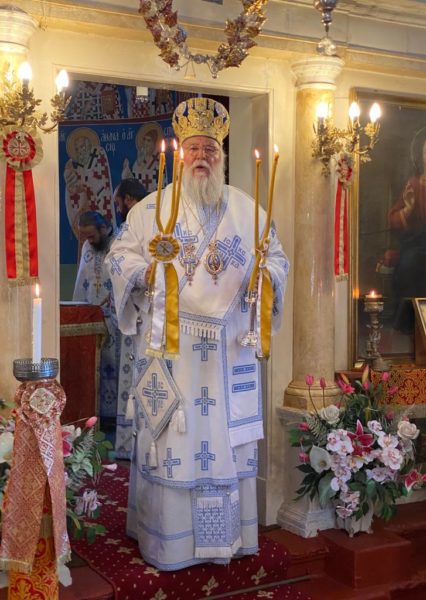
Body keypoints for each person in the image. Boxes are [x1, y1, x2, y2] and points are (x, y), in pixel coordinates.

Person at [106, 97, 289, 570]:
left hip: (227, 354)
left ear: (221, 156)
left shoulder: (247, 211)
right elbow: (118, 258)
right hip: (173, 353)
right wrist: (147, 274)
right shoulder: (151, 209)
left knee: (223, 443)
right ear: (180, 155)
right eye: (194, 149)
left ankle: (225, 539)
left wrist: (265, 279)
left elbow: (277, 261)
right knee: (172, 440)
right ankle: (169, 544)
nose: (202, 156)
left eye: (210, 149)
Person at [388, 131, 426, 332]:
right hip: (415, 243)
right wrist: (408, 209)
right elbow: (393, 218)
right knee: (409, 265)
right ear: (421, 157)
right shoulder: (413, 184)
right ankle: (409, 322)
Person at [73, 211, 119, 429]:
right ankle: (96, 416)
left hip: (116, 320)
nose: (88, 241)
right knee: (95, 366)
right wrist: (80, 311)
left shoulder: (119, 244)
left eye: (91, 236)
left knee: (114, 365)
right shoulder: (87, 248)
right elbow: (81, 281)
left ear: (103, 228)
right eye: (85, 237)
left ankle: (115, 416)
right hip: (93, 317)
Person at [111, 178, 147, 458]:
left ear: (128, 199)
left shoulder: (145, 218)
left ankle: (138, 445)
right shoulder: (132, 226)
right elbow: (116, 260)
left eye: (118, 202)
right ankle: (131, 443)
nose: (118, 209)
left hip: (148, 319)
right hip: (135, 310)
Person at [64, 127, 116, 259]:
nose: (80, 151)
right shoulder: (73, 166)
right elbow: (72, 194)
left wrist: (85, 187)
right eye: (77, 149)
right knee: (86, 250)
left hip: (99, 208)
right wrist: (72, 187)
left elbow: (102, 183)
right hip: (85, 213)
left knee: (103, 247)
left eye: (82, 146)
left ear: (88, 146)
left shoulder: (98, 157)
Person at [121, 122, 163, 193]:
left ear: (155, 143)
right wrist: (126, 170)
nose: (145, 143)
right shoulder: (139, 161)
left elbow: (159, 184)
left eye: (149, 141)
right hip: (140, 198)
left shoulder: (158, 161)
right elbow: (134, 182)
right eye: (144, 139)